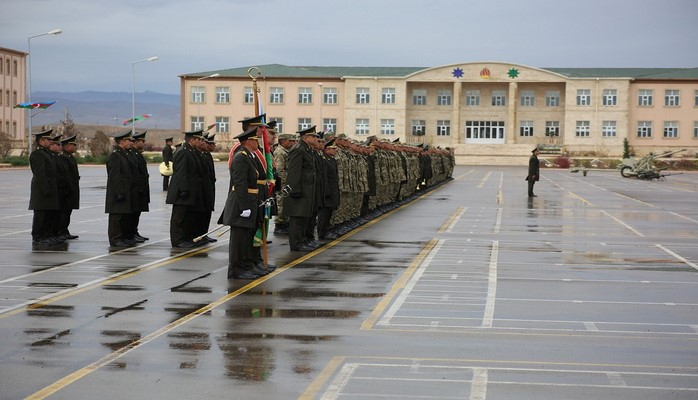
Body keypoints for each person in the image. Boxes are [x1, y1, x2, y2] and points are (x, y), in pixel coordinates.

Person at [222, 126, 265, 279]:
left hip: (250, 200)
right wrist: (245, 206)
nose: (258, 142)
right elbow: (240, 184)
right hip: (241, 203)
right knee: (239, 240)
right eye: (256, 140)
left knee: (247, 239)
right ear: (248, 141)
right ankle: (236, 270)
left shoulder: (249, 156)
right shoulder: (240, 157)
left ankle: (246, 266)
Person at [166, 129, 206, 248]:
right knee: (179, 218)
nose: (200, 141)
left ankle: (185, 238)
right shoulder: (183, 151)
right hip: (181, 191)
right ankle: (177, 240)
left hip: (189, 190)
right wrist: (184, 189)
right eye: (198, 139)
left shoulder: (191, 151)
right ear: (192, 140)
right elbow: (181, 172)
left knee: (187, 217)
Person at [284, 126, 320, 252]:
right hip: (300, 190)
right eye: (313, 136)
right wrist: (295, 190)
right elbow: (294, 172)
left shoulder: (307, 149)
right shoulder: (298, 149)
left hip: (307, 189)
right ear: (306, 137)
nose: (316, 139)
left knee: (304, 216)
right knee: (297, 218)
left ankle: (303, 240)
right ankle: (296, 243)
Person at [29, 129, 62, 245]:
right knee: (41, 215)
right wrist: (46, 190)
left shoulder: (47, 153)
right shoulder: (37, 154)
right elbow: (40, 174)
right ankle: (38, 236)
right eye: (48, 139)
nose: (51, 141)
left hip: (50, 190)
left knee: (49, 215)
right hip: (42, 191)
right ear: (41, 141)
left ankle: (47, 235)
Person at [105, 130, 135, 247]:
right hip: (117, 191)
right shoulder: (115, 155)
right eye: (128, 140)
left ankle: (121, 237)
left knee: (122, 216)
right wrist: (118, 192)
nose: (130, 142)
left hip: (124, 190)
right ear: (122, 141)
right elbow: (115, 176)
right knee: (116, 217)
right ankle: (115, 239)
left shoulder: (122, 154)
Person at [272, 133, 297, 234]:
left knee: (286, 203)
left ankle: (285, 222)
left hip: (287, 182)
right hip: (283, 182)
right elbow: (279, 169)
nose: (292, 143)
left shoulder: (287, 151)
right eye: (289, 141)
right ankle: (280, 225)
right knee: (281, 202)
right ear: (282, 141)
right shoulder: (280, 152)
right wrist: (285, 181)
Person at [57, 134, 80, 240]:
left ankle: (64, 230)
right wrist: (68, 188)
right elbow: (65, 174)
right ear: (67, 147)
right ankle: (61, 231)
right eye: (73, 145)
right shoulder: (63, 157)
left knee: (68, 212)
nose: (75, 147)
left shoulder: (69, 156)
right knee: (64, 212)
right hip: (67, 189)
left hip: (72, 188)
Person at [317, 138, 340, 240]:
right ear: (327, 150)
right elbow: (324, 177)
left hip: (333, 190)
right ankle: (322, 233)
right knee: (324, 214)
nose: (335, 150)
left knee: (330, 212)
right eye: (333, 148)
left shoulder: (331, 159)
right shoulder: (324, 160)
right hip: (327, 191)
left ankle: (326, 231)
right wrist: (326, 192)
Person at [130, 131, 150, 242]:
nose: (143, 143)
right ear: (136, 142)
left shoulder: (137, 154)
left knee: (137, 213)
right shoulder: (133, 154)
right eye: (142, 141)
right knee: (134, 213)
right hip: (137, 188)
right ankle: (132, 233)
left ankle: (134, 232)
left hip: (141, 188)